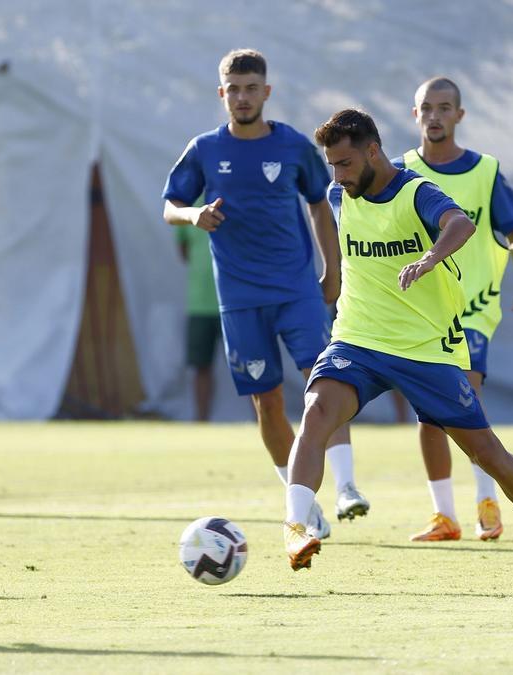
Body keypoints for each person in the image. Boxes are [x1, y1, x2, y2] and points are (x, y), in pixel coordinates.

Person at [282, 108, 513, 587]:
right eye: (332, 166)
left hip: (428, 349)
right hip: (359, 338)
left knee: (489, 454)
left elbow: (460, 225)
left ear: (372, 151)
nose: (338, 175)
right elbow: (336, 243)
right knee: (317, 410)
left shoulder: (416, 191)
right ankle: (296, 527)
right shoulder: (337, 195)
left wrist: (429, 258)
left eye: (345, 163)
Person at [162, 49, 365, 540]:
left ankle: (346, 488)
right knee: (267, 404)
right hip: (238, 298)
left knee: (326, 385)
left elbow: (320, 203)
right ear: (221, 94)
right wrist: (194, 215)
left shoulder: (293, 146)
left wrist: (330, 270)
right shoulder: (205, 149)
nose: (242, 97)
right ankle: (302, 503)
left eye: (251, 87)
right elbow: (170, 205)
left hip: (295, 288)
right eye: (233, 89)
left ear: (266, 92)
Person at [394, 77, 513, 542]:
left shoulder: (485, 171)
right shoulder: (399, 173)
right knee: (428, 412)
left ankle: (487, 500)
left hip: (472, 310)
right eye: (426, 108)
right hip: (418, 311)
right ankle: (444, 515)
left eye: (444, 107)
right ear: (414, 115)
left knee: (464, 399)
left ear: (460, 115)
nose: (435, 116)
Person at [175, 197, 220, 422]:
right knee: (201, 366)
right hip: (200, 303)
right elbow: (183, 250)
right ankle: (201, 421)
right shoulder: (188, 203)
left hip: (235, 303)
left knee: (251, 366)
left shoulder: (231, 195)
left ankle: (260, 422)